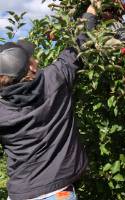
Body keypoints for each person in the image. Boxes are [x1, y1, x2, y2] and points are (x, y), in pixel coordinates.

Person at [0, 2, 99, 200]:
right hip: (58, 192)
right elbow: (78, 46)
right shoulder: (55, 79)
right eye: (31, 58)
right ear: (32, 68)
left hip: (20, 193)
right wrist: (91, 12)